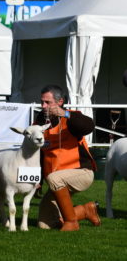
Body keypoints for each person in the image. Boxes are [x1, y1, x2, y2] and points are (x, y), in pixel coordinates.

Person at [35, 85, 101, 231]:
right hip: (57, 181)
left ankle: (71, 222)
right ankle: (86, 210)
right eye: (42, 102)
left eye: (47, 102)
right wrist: (37, 180)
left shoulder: (71, 117)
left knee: (54, 178)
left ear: (60, 102)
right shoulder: (39, 121)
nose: (43, 106)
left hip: (81, 172)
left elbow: (89, 126)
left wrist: (65, 114)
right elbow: (38, 154)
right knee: (45, 225)